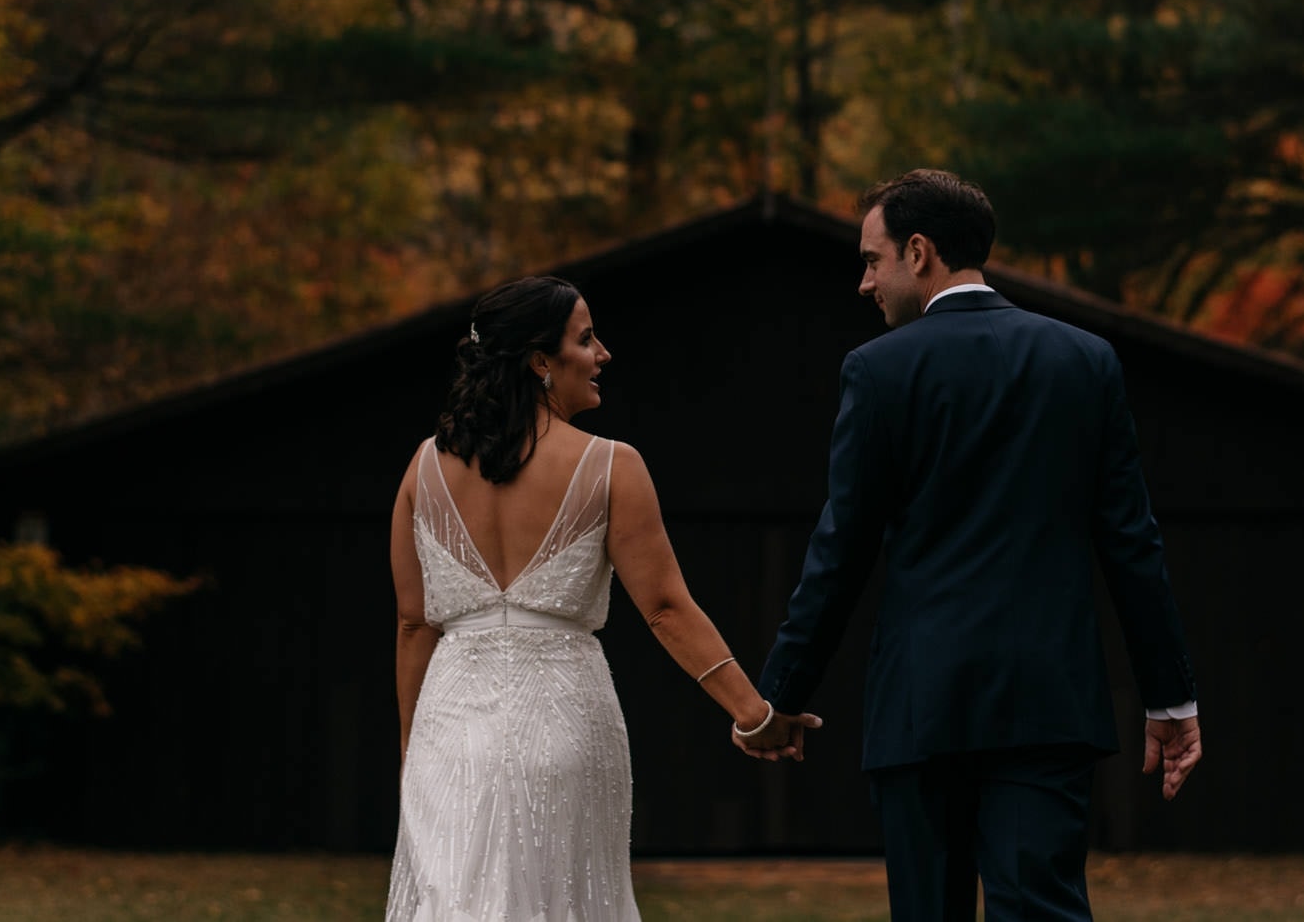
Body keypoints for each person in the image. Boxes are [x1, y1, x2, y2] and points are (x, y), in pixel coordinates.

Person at [757, 169, 1204, 921]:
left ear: (920, 251)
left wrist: (780, 695)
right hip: (1046, 703)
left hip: (921, 705)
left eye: (872, 260)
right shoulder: (1083, 359)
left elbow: (842, 550)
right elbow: (1131, 540)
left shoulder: (879, 371)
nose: (864, 282)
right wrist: (1171, 694)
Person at [385, 275, 818, 922]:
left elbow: (414, 622)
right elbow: (666, 607)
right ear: (539, 360)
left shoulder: (423, 467)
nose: (603, 353)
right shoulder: (613, 465)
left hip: (447, 729)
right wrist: (754, 714)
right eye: (586, 338)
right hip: (563, 721)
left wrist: (411, 755)